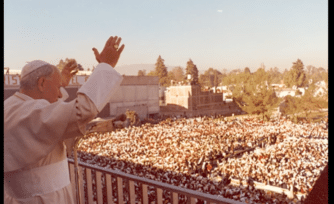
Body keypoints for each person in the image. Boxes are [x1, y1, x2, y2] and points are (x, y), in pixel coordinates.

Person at [4, 36, 125, 204]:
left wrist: (60, 84)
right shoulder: (28, 113)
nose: (60, 94)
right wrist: (106, 66)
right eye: (57, 87)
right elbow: (82, 110)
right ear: (41, 83)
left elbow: (48, 115)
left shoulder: (13, 107)